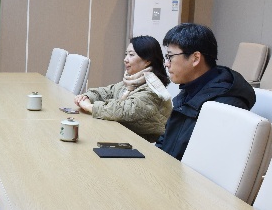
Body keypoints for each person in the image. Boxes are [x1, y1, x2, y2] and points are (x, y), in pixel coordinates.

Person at [156, 23, 255, 160]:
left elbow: (208, 161)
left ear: (195, 58)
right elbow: (165, 141)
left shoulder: (226, 105)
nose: (166, 64)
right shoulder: (191, 89)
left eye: (170, 56)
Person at [74, 36, 172, 142]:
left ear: (147, 60)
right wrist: (87, 97)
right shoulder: (132, 81)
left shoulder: (154, 90)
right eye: (126, 54)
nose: (125, 59)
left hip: (141, 143)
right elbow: (107, 92)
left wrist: (89, 106)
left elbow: (122, 110)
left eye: (131, 55)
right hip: (123, 136)